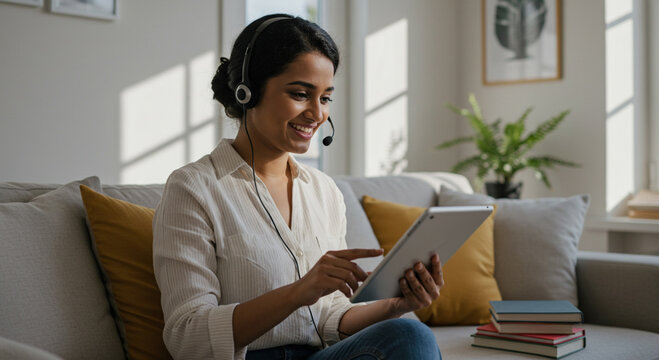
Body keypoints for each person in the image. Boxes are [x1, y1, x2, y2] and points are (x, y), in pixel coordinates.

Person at [153, 13, 444, 360]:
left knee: (407, 332)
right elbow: (187, 336)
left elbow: (330, 318)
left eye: (325, 98)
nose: (317, 114)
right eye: (301, 94)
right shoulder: (193, 189)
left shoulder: (323, 191)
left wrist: (396, 305)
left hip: (318, 355)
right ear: (249, 91)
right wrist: (298, 292)